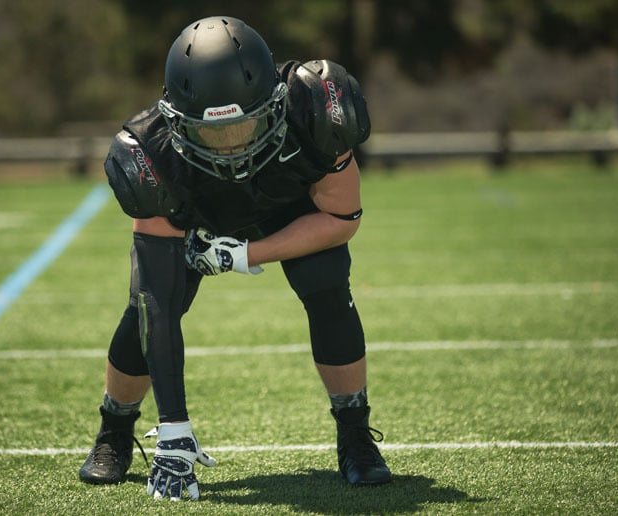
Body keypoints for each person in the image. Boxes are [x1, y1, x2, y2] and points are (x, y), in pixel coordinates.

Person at [79, 15, 391, 500]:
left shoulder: (315, 106)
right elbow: (156, 303)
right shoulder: (151, 154)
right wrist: (174, 427)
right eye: (213, 132)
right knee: (143, 314)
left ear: (275, 103)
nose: (232, 146)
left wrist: (245, 254)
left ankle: (354, 434)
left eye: (244, 124)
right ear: (176, 121)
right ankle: (114, 431)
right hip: (194, 216)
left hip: (289, 208)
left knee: (327, 284)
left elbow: (341, 217)